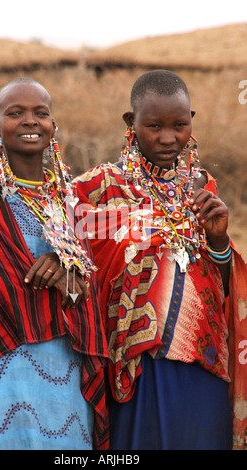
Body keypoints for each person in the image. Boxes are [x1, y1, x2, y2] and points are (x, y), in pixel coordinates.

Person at [74, 70, 247, 450]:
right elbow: (75, 261)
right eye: (154, 125)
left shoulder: (203, 186)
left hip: (204, 358)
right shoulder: (98, 187)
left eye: (179, 125)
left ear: (192, 122)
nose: (168, 138)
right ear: (130, 123)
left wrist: (218, 239)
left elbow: (220, 279)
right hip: (136, 366)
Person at [0, 77, 109, 450]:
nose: (30, 121)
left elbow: (90, 283)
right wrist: (46, 280)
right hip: (1, 361)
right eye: (15, 113)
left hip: (66, 368)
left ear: (54, 126)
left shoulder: (72, 203)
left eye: (41, 113)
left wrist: (70, 271)